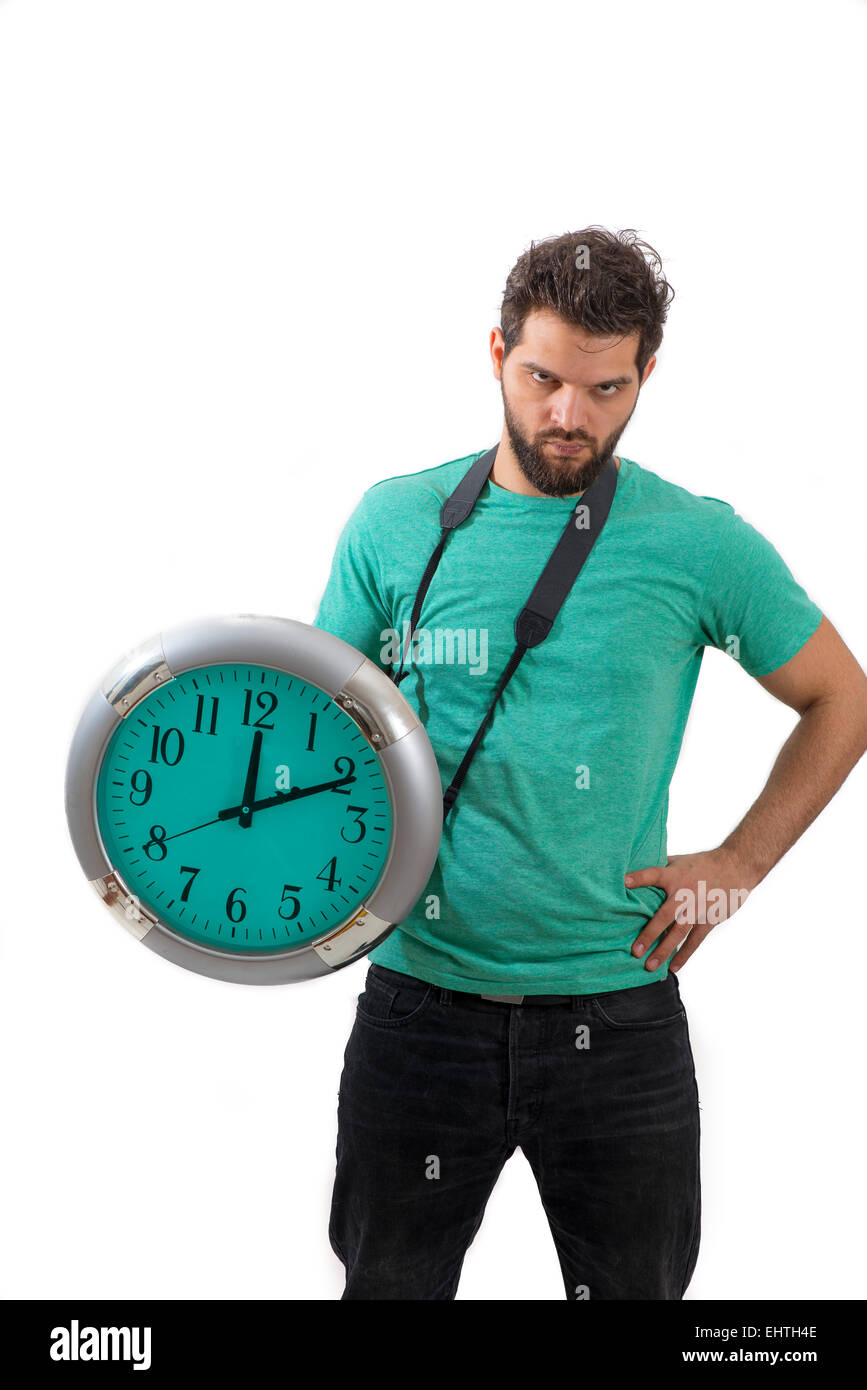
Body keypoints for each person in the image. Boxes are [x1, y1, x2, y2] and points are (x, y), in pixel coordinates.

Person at [312, 227, 867, 1300]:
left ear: (646, 373)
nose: (570, 415)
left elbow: (842, 698)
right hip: (419, 1009)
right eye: (544, 378)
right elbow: (320, 730)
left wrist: (740, 862)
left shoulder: (699, 541)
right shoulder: (392, 521)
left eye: (606, 387)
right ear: (496, 353)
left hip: (618, 1015)